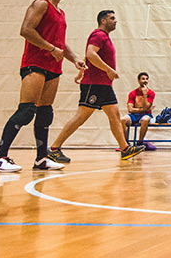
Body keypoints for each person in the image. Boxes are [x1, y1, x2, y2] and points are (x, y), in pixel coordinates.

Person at [0, 0, 85, 172]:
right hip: (35, 63)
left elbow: (59, 42)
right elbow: (26, 30)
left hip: (53, 67)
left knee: (45, 113)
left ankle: (41, 159)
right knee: (26, 111)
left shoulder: (61, 13)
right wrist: (50, 49)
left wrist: (74, 59)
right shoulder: (41, 4)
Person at [46, 11, 145, 163]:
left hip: (103, 85)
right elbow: (91, 54)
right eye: (112, 18)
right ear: (103, 21)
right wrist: (108, 69)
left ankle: (125, 149)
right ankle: (54, 149)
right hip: (94, 84)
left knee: (115, 116)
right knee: (80, 117)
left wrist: (80, 72)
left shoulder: (104, 37)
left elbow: (88, 57)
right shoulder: (98, 35)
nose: (115, 21)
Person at [125, 72, 156, 148]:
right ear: (138, 80)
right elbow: (130, 109)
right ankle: (125, 143)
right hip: (134, 115)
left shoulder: (151, 93)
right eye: (143, 79)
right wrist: (142, 109)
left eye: (146, 79)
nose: (145, 81)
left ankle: (140, 142)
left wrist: (145, 95)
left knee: (145, 119)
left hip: (146, 115)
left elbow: (146, 108)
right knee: (123, 119)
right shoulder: (132, 93)